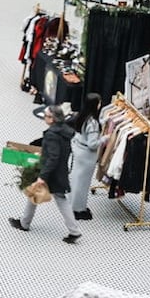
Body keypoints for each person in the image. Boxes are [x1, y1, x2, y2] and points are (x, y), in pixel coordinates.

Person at [10, 105, 81, 242]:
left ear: (53, 119)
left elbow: (53, 157)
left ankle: (74, 231)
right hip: (60, 170)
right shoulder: (66, 131)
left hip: (51, 172)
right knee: (36, 193)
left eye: (47, 116)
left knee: (60, 199)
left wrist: (42, 176)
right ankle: (25, 222)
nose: (45, 118)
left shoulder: (51, 135)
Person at [67, 93, 104, 221]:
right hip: (87, 156)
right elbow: (92, 144)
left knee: (75, 179)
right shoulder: (93, 123)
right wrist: (105, 139)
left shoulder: (81, 116)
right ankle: (78, 209)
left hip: (78, 149)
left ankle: (72, 204)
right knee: (83, 183)